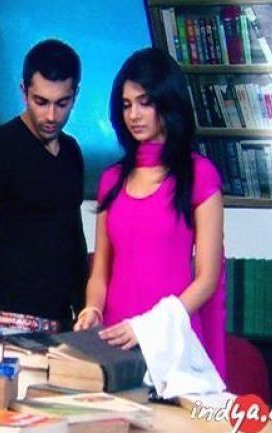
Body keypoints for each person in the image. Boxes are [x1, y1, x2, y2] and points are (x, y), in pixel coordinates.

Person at [74, 48, 226, 379]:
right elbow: (100, 272)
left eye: (145, 102)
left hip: (172, 341)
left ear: (167, 103)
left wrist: (148, 328)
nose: (134, 115)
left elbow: (208, 278)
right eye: (126, 105)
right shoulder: (112, 179)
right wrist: (93, 309)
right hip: (115, 339)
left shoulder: (200, 175)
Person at [0, 39, 88, 338]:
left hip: (63, 324)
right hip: (7, 322)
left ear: (75, 95)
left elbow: (71, 238)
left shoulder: (71, 152)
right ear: (24, 92)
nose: (51, 115)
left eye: (62, 103)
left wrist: (86, 309)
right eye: (41, 102)